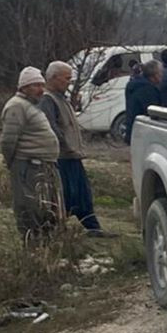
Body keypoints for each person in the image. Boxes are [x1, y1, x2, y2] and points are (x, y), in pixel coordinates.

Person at [0, 66, 62, 241]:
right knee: (29, 205)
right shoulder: (16, 106)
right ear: (24, 87)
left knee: (45, 205)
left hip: (42, 165)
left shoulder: (31, 105)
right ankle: (32, 242)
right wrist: (13, 163)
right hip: (27, 165)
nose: (41, 90)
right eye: (35, 85)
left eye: (42, 85)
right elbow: (8, 140)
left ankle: (45, 241)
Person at [41, 61, 103, 233]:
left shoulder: (62, 98)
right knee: (65, 194)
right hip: (62, 157)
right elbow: (51, 127)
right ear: (53, 78)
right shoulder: (48, 99)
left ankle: (93, 227)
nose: (69, 82)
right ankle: (55, 227)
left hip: (73, 155)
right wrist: (66, 146)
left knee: (83, 194)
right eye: (66, 78)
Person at [124, 58, 163, 142]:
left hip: (133, 128)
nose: (162, 75)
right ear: (154, 75)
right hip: (143, 133)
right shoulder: (148, 90)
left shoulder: (133, 85)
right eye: (160, 73)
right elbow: (152, 113)